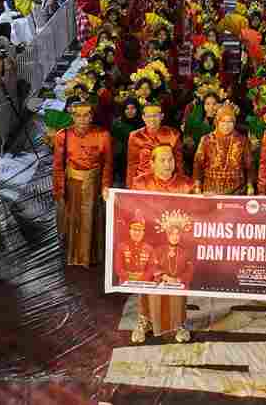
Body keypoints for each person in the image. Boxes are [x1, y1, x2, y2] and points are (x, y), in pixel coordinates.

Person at [127, 145, 195, 344]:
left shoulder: (186, 184)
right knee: (148, 282)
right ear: (152, 163)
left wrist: (206, 200)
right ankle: (144, 320)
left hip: (176, 246)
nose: (168, 164)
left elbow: (196, 213)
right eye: (163, 160)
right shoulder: (140, 183)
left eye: (171, 160)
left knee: (177, 282)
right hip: (150, 245)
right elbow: (130, 210)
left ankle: (180, 323)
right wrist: (111, 198)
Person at [52, 98, 114, 267]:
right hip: (72, 184)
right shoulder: (62, 135)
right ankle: (74, 256)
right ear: (72, 117)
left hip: (94, 184)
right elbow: (58, 165)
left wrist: (105, 186)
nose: (82, 119)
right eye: (78, 115)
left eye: (86, 115)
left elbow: (108, 163)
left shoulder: (103, 135)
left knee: (93, 218)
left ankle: (92, 257)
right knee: (73, 219)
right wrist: (59, 191)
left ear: (91, 117)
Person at [192, 102, 254, 196]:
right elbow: (198, 165)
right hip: (210, 191)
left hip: (237, 192)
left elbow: (249, 165)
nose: (226, 125)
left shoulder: (242, 140)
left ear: (234, 123)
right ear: (217, 122)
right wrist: (197, 186)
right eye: (223, 121)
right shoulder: (206, 140)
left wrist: (250, 186)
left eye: (230, 122)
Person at [125, 100, 183, 190]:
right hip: (143, 183)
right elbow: (132, 164)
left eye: (155, 115)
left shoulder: (173, 134)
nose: (152, 119)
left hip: (167, 183)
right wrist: (129, 187)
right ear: (143, 117)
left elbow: (178, 163)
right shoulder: (135, 136)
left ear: (162, 116)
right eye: (148, 116)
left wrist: (180, 185)